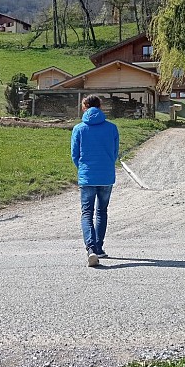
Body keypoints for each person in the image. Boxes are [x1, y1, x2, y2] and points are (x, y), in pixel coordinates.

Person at [71, 95, 120, 267]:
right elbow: (115, 153)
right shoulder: (112, 128)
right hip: (106, 176)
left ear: (84, 107)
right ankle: (99, 248)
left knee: (87, 213)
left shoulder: (78, 129)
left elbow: (74, 155)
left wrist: (83, 169)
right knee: (102, 212)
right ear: (100, 107)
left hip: (87, 176)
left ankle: (90, 249)